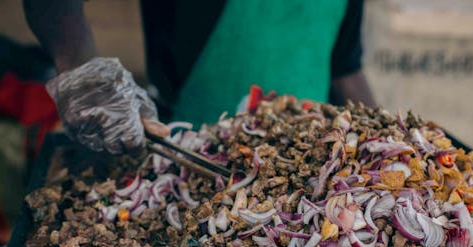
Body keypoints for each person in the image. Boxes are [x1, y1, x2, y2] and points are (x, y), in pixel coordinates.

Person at [23, 0, 375, 155]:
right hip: (191, 151)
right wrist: (79, 68)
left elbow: (346, 67)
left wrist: (382, 137)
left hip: (313, 159)